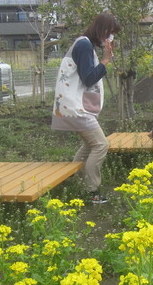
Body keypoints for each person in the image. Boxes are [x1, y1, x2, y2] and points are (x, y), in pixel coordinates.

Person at [51, 12, 121, 204]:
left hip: (73, 106)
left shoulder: (84, 45)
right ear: (103, 29)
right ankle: (92, 191)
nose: (110, 39)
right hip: (75, 108)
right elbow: (89, 77)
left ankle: (72, 180)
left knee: (89, 145)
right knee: (101, 144)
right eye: (110, 34)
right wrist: (106, 60)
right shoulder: (84, 45)